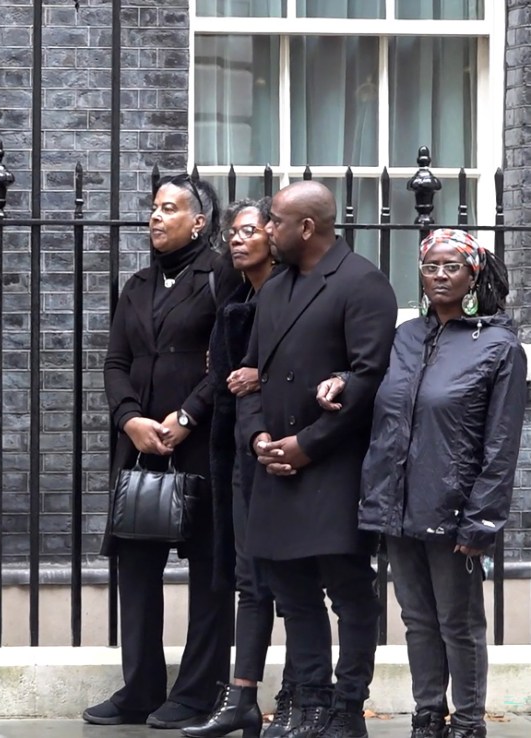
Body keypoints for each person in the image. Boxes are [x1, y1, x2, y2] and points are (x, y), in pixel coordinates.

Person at [331, 229, 524, 738]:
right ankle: (427, 713)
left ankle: (467, 721)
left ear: (472, 275)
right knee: (416, 617)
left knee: (458, 623)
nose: (440, 276)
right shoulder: (406, 337)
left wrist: (481, 519)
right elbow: (379, 392)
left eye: (451, 267)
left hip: (455, 508)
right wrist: (343, 381)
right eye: (431, 267)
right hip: (397, 503)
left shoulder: (500, 346)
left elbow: (501, 446)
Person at [237, 181, 397, 738]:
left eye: (275, 221)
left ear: (306, 227)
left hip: (332, 468)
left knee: (350, 593)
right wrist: (259, 439)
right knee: (293, 593)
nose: (266, 229)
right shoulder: (274, 287)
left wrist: (306, 446)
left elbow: (371, 380)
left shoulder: (362, 283)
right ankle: (307, 705)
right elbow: (251, 376)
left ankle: (347, 708)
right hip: (274, 465)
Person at [83, 174, 242, 728]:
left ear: (198, 221)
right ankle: (142, 688)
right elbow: (115, 362)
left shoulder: (223, 277)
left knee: (208, 569)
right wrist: (129, 419)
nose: (154, 217)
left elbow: (230, 359)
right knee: (137, 564)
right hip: (141, 445)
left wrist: (186, 416)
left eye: (168, 208)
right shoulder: (137, 284)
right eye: (152, 208)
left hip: (200, 444)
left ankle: (198, 692)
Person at [183, 198, 296, 738]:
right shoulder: (234, 299)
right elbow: (224, 379)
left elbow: (307, 368)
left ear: (274, 236)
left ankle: (302, 691)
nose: (237, 239)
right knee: (249, 578)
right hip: (239, 451)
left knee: (294, 578)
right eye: (233, 231)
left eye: (249, 230)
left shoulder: (290, 294)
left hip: (287, 452)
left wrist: (260, 377)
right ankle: (242, 696)